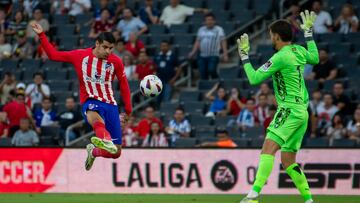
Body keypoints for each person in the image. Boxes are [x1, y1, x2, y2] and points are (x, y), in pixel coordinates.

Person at [237, 11, 319, 203]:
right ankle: (309, 200)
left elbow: (254, 78)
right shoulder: (298, 51)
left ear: (277, 36)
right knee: (288, 161)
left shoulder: (280, 57)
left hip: (289, 110)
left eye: (270, 35)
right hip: (302, 113)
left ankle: (253, 196)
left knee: (267, 150)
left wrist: (244, 56)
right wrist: (308, 33)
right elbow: (315, 58)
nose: (270, 38)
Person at [31, 22, 132, 171]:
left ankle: (94, 151)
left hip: (110, 104)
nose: (108, 51)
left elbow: (124, 85)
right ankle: (105, 140)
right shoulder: (80, 56)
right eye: (105, 47)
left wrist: (128, 110)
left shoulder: (116, 62)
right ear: (97, 44)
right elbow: (53, 55)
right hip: (90, 101)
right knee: (97, 121)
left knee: (116, 152)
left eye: (111, 48)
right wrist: (42, 35)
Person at [189, 13, 229, 80]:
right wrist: (193, 52)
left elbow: (223, 41)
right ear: (205, 21)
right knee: (202, 72)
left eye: (211, 20)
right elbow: (197, 41)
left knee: (211, 70)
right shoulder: (201, 29)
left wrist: (225, 54)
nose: (209, 21)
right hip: (202, 55)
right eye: (207, 20)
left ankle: (216, 81)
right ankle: (206, 87)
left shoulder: (219, 29)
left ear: (214, 21)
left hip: (213, 55)